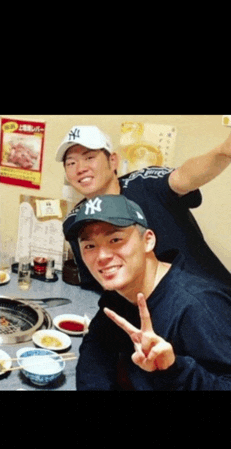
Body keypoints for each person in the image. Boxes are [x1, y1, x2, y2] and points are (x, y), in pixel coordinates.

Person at [64, 194, 231, 391]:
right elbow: (97, 350)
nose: (102, 256)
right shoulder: (121, 290)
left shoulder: (197, 305)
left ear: (148, 241)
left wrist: (173, 368)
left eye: (115, 239)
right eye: (90, 246)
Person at [57, 125, 231, 287]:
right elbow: (101, 282)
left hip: (212, 299)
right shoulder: (76, 220)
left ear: (113, 160)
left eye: (89, 157)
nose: (80, 169)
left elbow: (184, 177)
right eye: (71, 163)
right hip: (147, 311)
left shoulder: (145, 183)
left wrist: (223, 151)